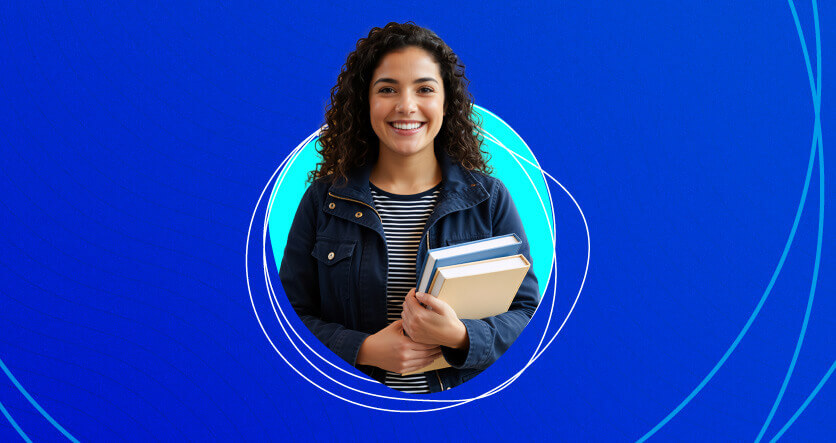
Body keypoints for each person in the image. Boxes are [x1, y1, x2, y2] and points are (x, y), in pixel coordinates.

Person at [279, 22, 539, 394]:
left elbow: (528, 314)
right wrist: (363, 350)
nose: (406, 106)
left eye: (424, 89)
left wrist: (463, 336)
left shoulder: (489, 198)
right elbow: (286, 318)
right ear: (364, 101)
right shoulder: (324, 200)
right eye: (387, 89)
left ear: (446, 102)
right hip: (351, 408)